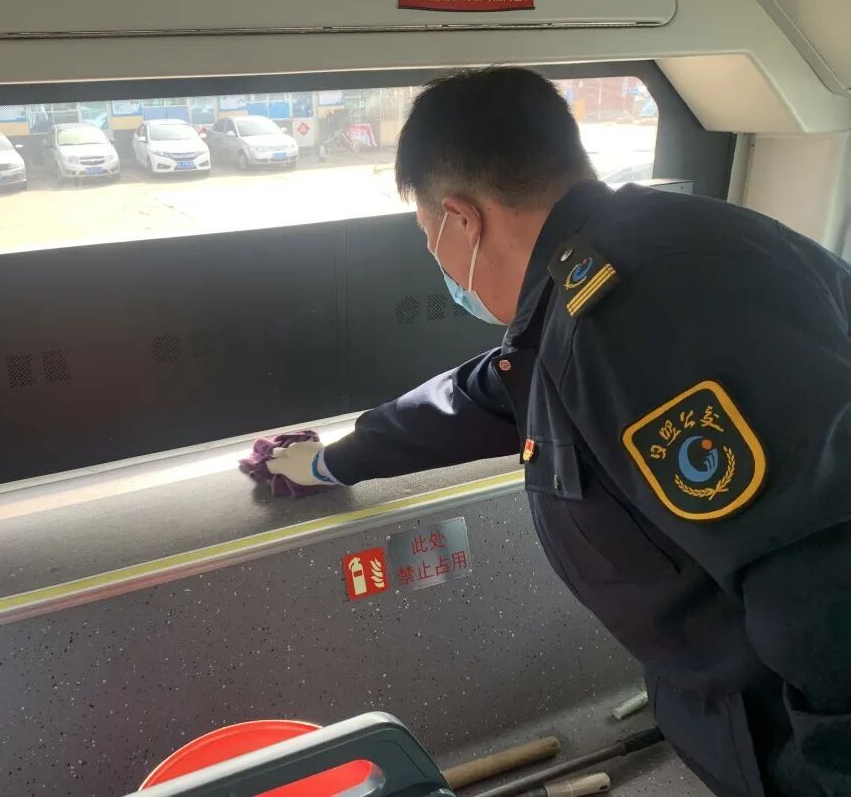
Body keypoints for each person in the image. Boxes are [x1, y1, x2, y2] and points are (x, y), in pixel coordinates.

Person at [263, 68, 851, 797]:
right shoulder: (611, 265)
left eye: (427, 236)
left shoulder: (643, 312)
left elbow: (823, 586)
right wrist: (331, 461)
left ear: (461, 219)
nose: (439, 262)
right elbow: (490, 392)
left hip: (793, 735)